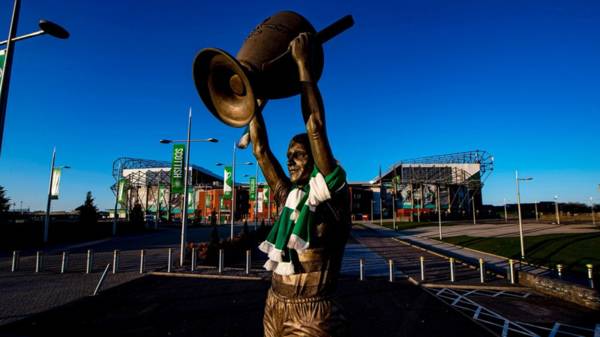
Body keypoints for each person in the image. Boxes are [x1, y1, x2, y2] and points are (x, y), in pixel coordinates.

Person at [248, 32, 350, 337]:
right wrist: (251, 105)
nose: (290, 161)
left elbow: (315, 126)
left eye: (298, 155)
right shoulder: (289, 196)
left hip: (313, 313)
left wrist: (303, 65)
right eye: (289, 156)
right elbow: (260, 151)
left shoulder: (332, 194)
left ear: (316, 159)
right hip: (275, 304)